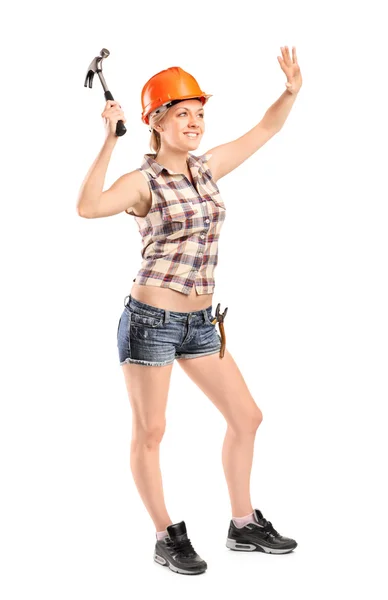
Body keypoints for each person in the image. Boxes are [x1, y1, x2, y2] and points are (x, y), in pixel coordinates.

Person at [77, 48, 302, 576]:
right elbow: (87, 206)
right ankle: (166, 536)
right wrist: (109, 141)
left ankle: (243, 524)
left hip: (202, 322)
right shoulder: (142, 182)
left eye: (200, 113)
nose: (196, 122)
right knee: (151, 432)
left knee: (247, 417)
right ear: (155, 121)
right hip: (151, 320)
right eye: (183, 113)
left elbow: (264, 131)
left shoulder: (206, 170)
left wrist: (289, 92)